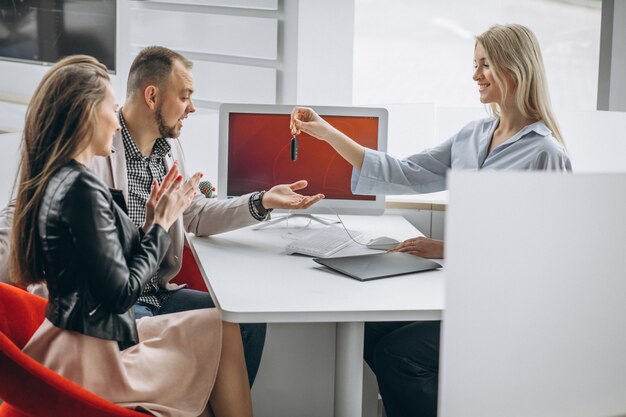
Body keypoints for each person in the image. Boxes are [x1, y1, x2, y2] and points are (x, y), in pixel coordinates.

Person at [290, 24, 572, 417]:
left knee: (398, 355)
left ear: (515, 69)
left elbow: (544, 253)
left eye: (484, 65)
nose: (474, 76)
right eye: (474, 65)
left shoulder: (546, 154)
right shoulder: (473, 135)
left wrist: (447, 249)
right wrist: (328, 134)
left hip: (509, 310)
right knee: (369, 331)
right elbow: (405, 172)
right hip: (462, 295)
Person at [0, 45, 324, 386]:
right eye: (185, 96)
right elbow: (24, 214)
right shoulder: (89, 153)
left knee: (246, 321)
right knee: (218, 337)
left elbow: (194, 213)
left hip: (158, 292)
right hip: (117, 307)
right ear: (152, 96)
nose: (193, 108)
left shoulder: (170, 151)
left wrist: (262, 202)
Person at [13, 55, 252, 417]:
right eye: (111, 107)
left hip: (79, 343)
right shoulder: (82, 189)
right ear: (86, 115)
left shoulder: (61, 181)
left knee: (222, 332)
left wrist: (153, 220)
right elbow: (120, 293)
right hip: (96, 360)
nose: (117, 118)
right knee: (222, 331)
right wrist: (159, 227)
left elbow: (102, 259)